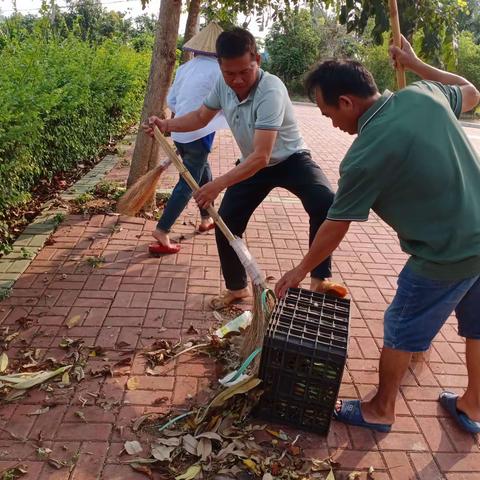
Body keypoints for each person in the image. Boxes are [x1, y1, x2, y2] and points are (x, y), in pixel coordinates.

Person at [275, 35, 480, 434]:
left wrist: (300, 271)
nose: (331, 122)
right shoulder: (423, 94)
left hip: (445, 255)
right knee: (478, 325)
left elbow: (335, 226)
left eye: (327, 111)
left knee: (401, 326)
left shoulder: (364, 156)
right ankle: (473, 405)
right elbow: (471, 93)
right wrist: (416, 63)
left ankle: (381, 409)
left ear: (347, 102)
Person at [145, 28, 346, 308]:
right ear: (220, 67)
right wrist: (167, 125)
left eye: (245, 71)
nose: (237, 80)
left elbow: (262, 156)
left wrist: (217, 184)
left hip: (290, 159)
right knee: (226, 222)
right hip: (253, 163)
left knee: (325, 202)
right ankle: (237, 288)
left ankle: (320, 278)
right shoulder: (222, 85)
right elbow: (201, 116)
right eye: (230, 73)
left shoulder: (271, 89)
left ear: (258, 60)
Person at [149, 22, 228, 255]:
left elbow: (172, 102)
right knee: (187, 183)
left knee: (203, 174)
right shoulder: (220, 72)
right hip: (199, 133)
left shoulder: (186, 68)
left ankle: (206, 218)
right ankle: (162, 229)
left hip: (179, 130)